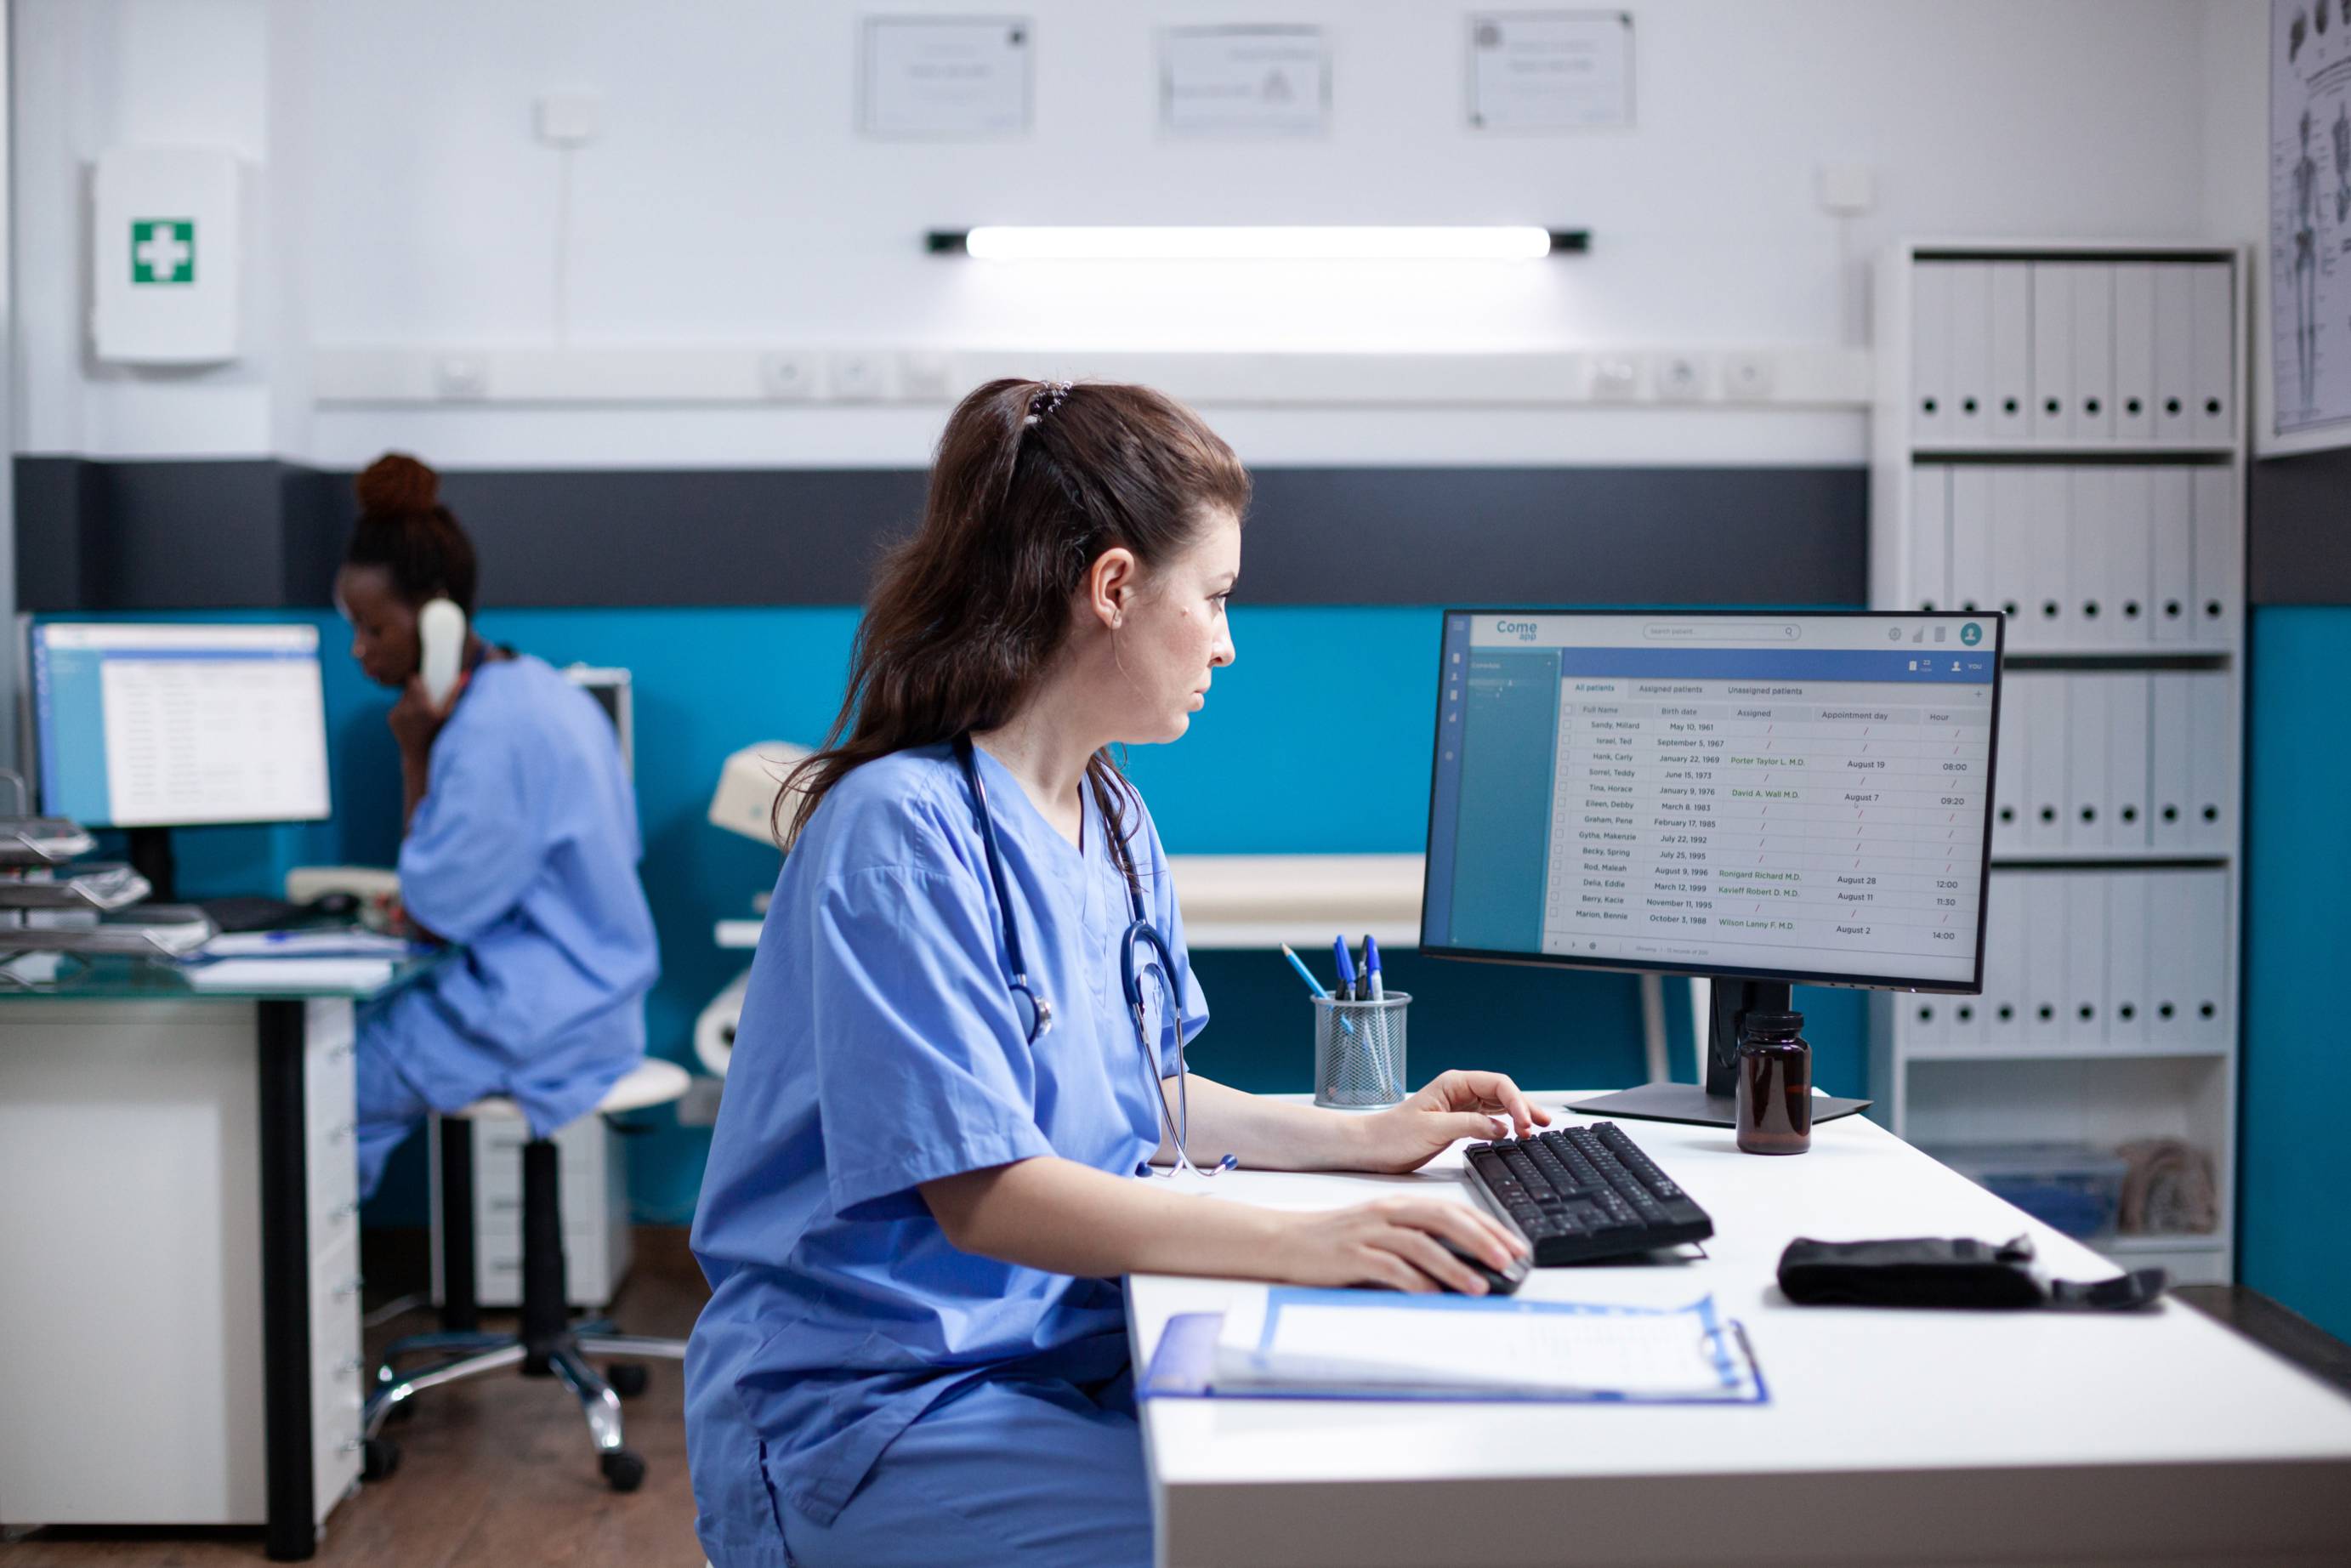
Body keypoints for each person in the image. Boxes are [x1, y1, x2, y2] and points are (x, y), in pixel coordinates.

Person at [686, 380, 1547, 1568]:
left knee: (1394, 1461)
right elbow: (987, 1194)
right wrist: (1312, 1242)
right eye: (1215, 598)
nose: (1229, 642)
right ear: (1112, 588)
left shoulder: (1110, 811)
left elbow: (1139, 1093)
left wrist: (1365, 1136)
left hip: (1061, 1344)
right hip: (881, 1403)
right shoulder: (900, 834)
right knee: (1290, 1533)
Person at [335, 452, 660, 1197]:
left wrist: (415, 755)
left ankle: (289, 1304)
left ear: (439, 620)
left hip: (546, 1014)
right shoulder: (541, 691)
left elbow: (431, 913)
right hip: (584, 994)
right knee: (343, 1075)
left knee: (314, 1085)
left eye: (372, 628)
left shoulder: (490, 734)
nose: (360, 649)